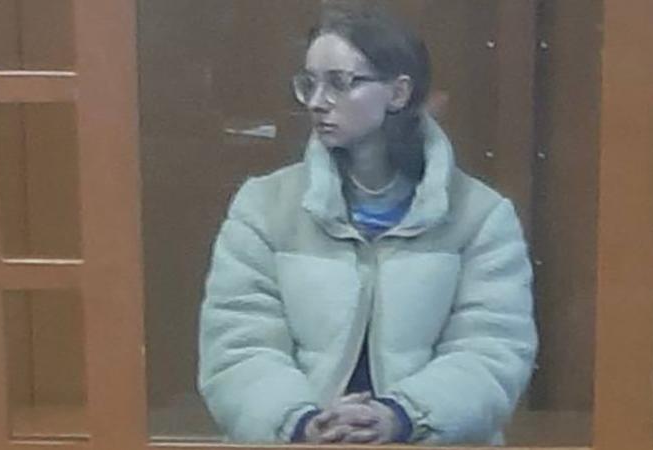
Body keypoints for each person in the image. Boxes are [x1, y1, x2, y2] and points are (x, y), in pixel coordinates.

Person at [197, 2, 537, 445]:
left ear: (398, 93)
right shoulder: (264, 207)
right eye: (309, 84)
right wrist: (302, 423)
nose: (317, 102)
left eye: (340, 83)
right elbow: (238, 347)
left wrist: (401, 416)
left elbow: (491, 352)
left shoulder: (480, 216)